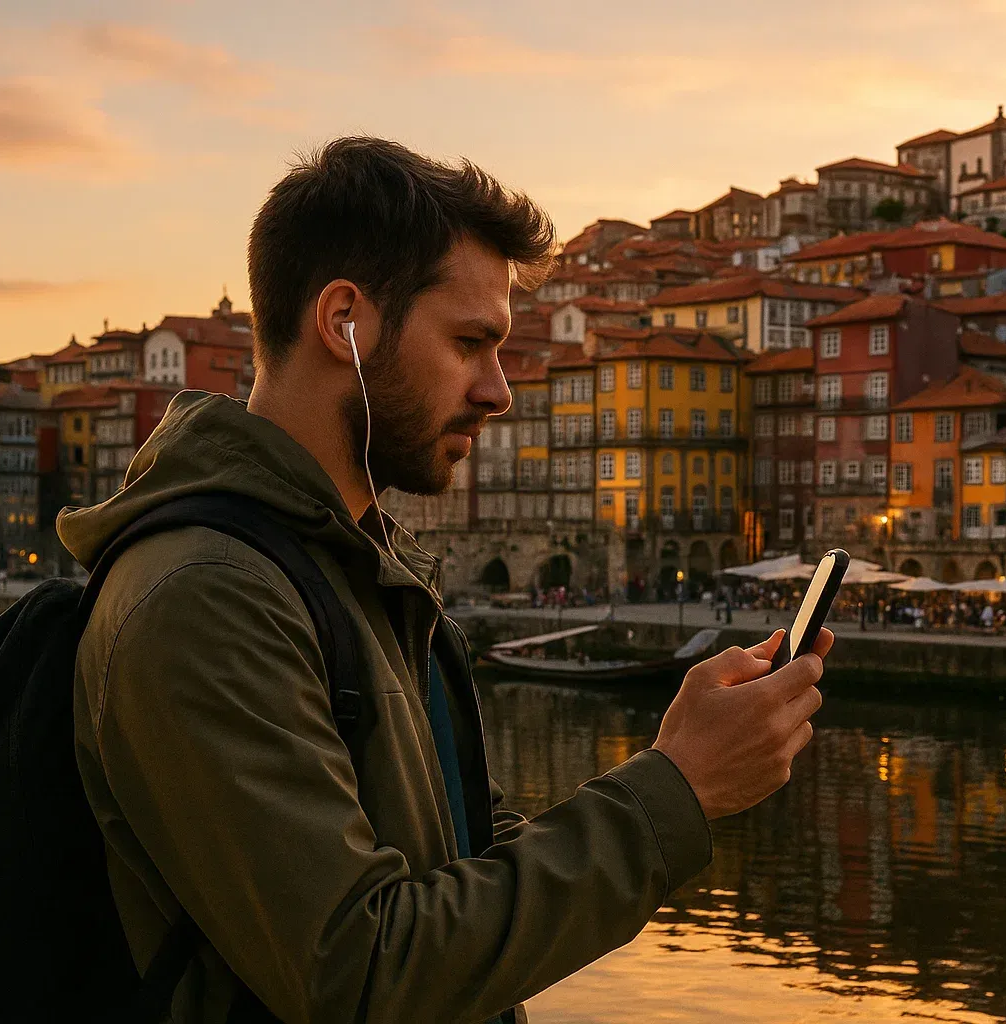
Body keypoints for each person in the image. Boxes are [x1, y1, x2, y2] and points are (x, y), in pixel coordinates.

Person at [63, 138, 831, 1024]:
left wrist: (678, 758)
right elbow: (360, 972)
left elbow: (461, 863)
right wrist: (677, 790)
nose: (499, 391)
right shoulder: (206, 595)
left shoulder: (353, 571)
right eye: (470, 343)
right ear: (345, 322)